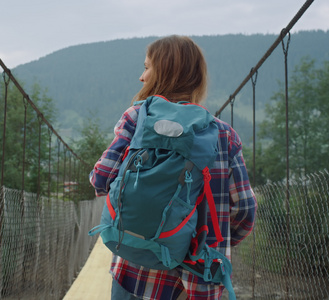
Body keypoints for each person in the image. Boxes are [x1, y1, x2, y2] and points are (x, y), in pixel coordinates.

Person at [89, 35, 257, 300]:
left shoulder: (137, 117)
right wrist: (212, 240)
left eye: (146, 67)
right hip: (199, 281)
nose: (141, 77)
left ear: (163, 73)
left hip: (136, 272)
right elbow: (245, 211)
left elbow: (101, 179)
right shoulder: (224, 135)